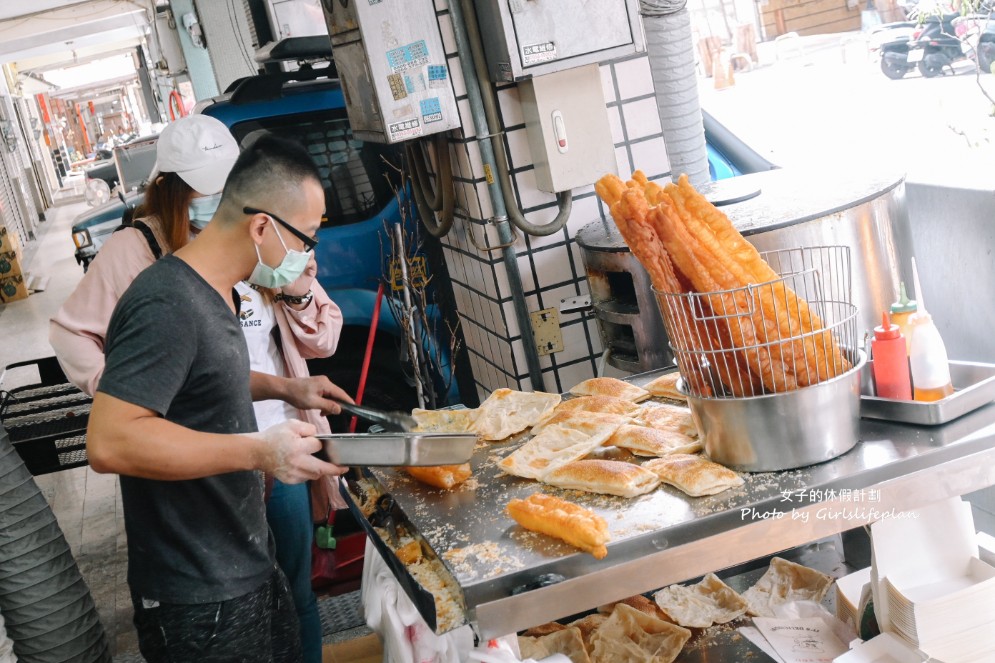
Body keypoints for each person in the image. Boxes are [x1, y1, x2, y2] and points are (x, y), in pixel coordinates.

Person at [50, 116, 341, 661]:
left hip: (241, 563)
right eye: (306, 239)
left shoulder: (219, 291)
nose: (308, 256)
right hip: (198, 594)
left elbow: (205, 382)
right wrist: (259, 451)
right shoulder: (167, 301)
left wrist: (287, 389)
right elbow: (109, 442)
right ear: (261, 229)